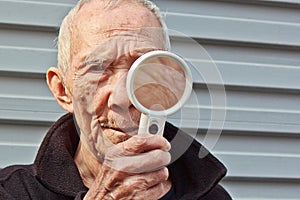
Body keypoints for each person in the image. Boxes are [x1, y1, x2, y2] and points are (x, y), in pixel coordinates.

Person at [0, 0, 232, 199]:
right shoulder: (11, 192)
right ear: (63, 90)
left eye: (143, 68)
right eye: (98, 68)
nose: (122, 100)